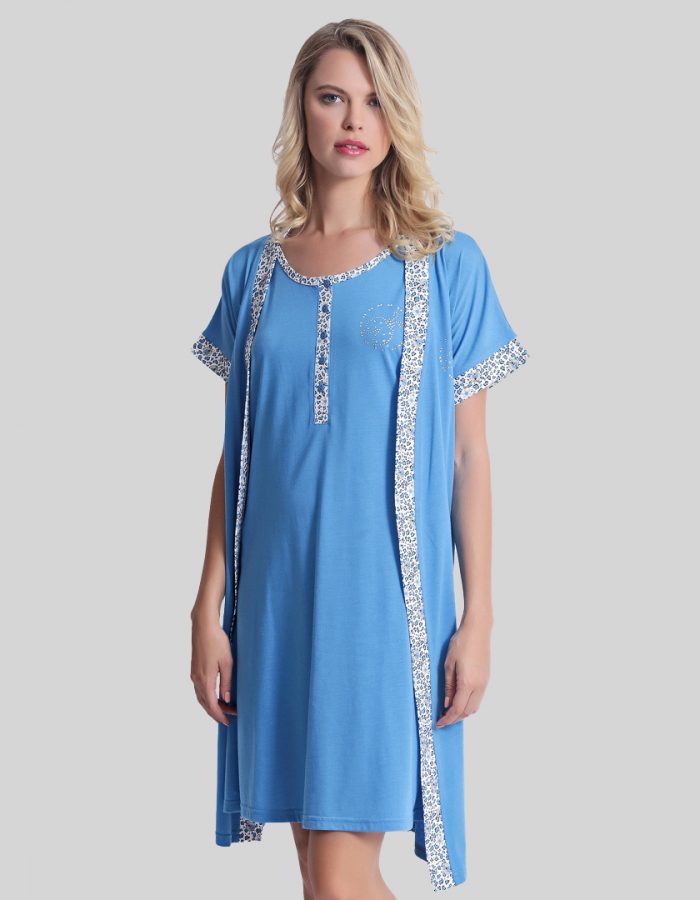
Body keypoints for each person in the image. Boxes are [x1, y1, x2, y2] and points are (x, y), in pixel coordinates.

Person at [189, 18, 529, 899]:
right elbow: (239, 453)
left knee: (341, 880)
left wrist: (479, 617)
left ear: (396, 118)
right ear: (301, 109)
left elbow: (470, 456)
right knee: (317, 875)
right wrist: (206, 608)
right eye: (333, 96)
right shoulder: (251, 273)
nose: (353, 120)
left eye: (375, 101)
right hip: (275, 601)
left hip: (384, 605)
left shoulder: (445, 265)